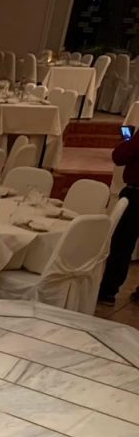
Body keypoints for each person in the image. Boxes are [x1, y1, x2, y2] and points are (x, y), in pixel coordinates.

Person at [98, 128, 139, 305]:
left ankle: (108, 291)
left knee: (122, 245)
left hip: (137, 194)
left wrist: (127, 140)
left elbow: (120, 156)